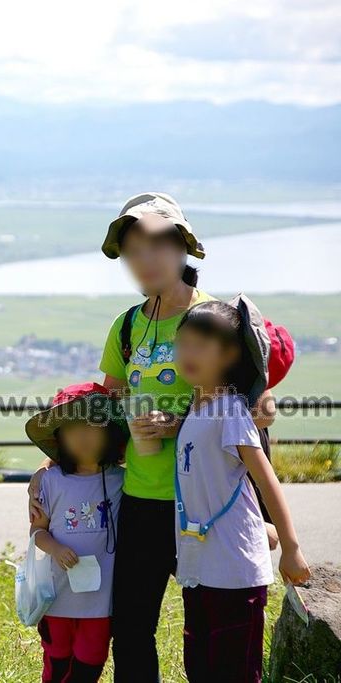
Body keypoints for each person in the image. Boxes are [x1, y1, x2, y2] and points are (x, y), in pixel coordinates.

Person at [27, 192, 278, 682]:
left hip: (206, 504)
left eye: (156, 245)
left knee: (206, 627)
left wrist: (179, 426)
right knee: (131, 625)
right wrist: (54, 461)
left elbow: (255, 416)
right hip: (140, 497)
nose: (144, 260)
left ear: (183, 246)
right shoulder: (126, 327)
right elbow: (105, 411)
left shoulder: (219, 320)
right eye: (133, 250)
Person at [172, 297, 310, 682]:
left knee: (234, 669)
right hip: (200, 567)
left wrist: (291, 548)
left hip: (234, 569)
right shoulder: (195, 409)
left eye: (200, 345)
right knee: (200, 666)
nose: (188, 353)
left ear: (230, 354)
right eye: (182, 343)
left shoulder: (231, 411)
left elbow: (267, 482)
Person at [25, 382, 128, 683]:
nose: (82, 436)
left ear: (110, 431)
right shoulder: (51, 482)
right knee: (57, 659)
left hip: (101, 597)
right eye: (71, 428)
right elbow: (37, 532)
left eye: (92, 426)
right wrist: (55, 548)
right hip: (57, 595)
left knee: (92, 659)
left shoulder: (124, 480)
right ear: (58, 437)